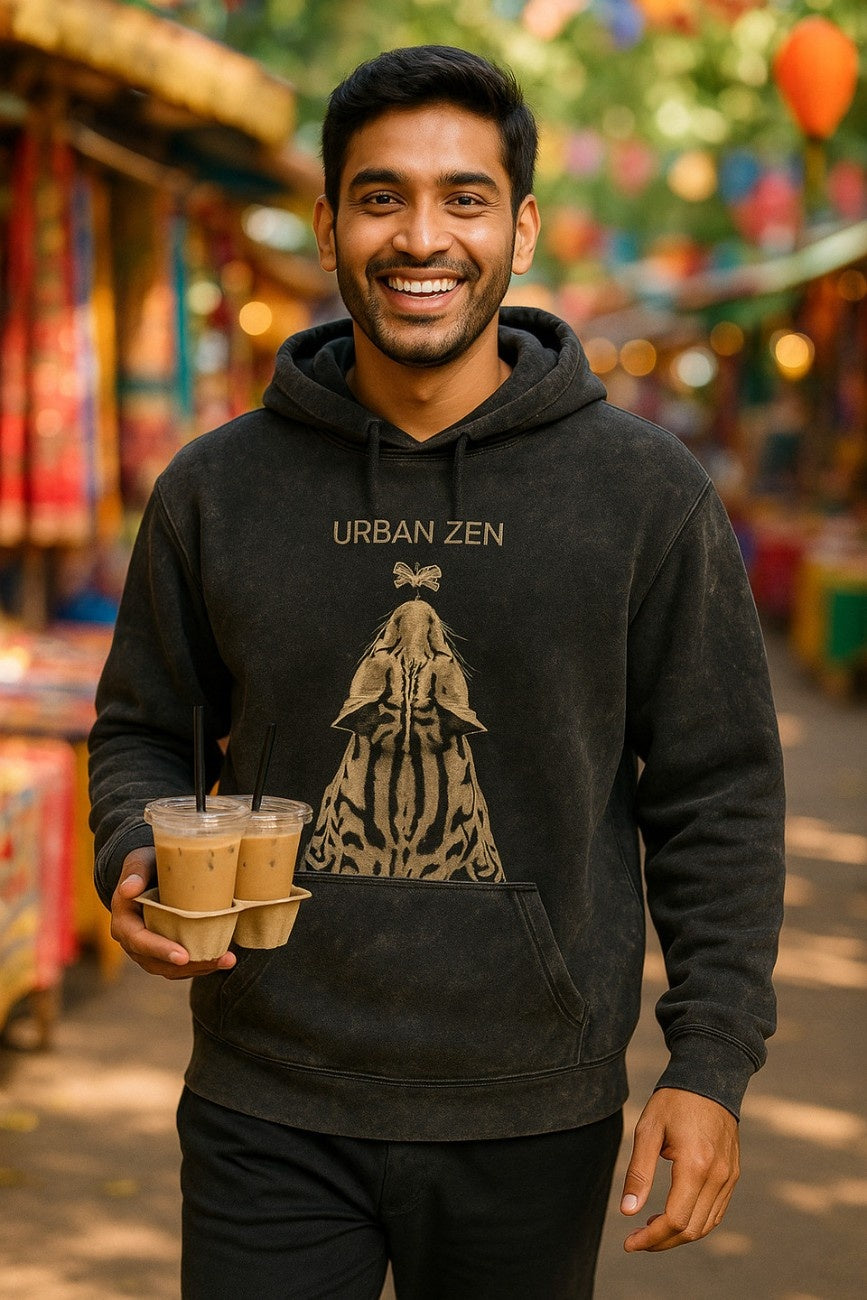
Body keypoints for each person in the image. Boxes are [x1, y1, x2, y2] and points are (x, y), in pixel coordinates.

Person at [89, 45, 785, 1300]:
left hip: (532, 1107)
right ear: (328, 226)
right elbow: (144, 727)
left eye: (465, 198)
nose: (422, 237)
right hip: (266, 1100)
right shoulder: (215, 488)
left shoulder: (643, 494)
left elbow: (718, 791)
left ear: (522, 228)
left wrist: (711, 1060)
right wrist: (136, 850)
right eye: (381, 197)